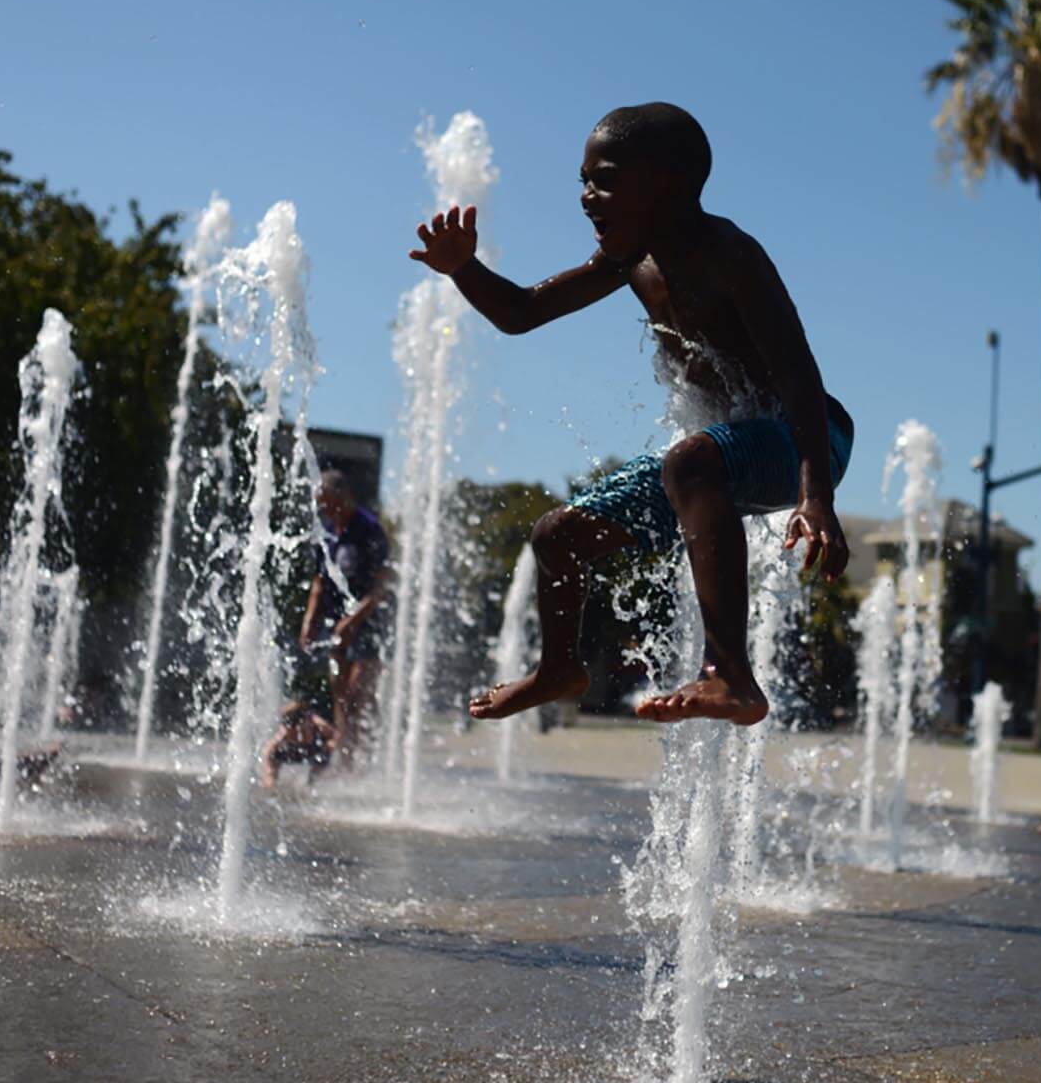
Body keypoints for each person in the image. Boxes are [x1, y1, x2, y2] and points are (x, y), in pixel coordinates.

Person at [408, 103, 852, 726]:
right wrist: (463, 269)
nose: (588, 197)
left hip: (808, 441)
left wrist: (817, 497)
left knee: (693, 459)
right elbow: (521, 312)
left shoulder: (730, 255)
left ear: (670, 183)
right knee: (558, 534)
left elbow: (801, 378)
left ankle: (731, 677)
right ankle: (559, 668)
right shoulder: (630, 264)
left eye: (606, 181)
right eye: (584, 182)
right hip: (711, 460)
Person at [298, 470, 392, 761]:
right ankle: (346, 757)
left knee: (356, 693)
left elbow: (382, 585)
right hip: (337, 619)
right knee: (339, 693)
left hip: (370, 620)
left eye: (329, 504)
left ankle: (367, 752)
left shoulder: (369, 529)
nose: (326, 511)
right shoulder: (327, 532)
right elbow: (319, 582)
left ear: (344, 498)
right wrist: (310, 621)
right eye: (322, 506)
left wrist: (354, 620)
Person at [259, 700, 337, 788]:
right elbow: (267, 750)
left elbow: (334, 734)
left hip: (311, 750)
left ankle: (312, 784)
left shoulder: (314, 722)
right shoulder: (285, 729)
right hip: (291, 751)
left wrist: (329, 744)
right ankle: (270, 788)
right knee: (272, 766)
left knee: (324, 756)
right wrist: (267, 771)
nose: (296, 728)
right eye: (292, 725)